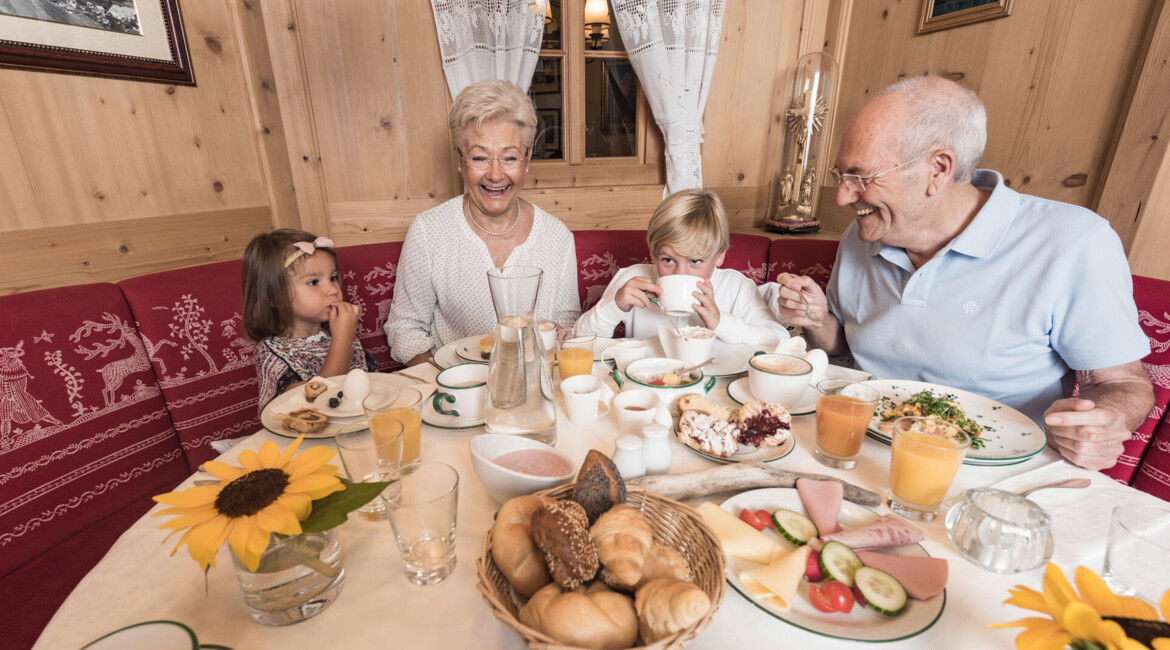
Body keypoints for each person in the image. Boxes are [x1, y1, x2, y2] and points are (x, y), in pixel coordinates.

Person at [770, 76, 1153, 471]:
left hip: (991, 472)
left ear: (938, 169)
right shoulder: (864, 232)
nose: (843, 197)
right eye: (841, 176)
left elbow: (1120, 385)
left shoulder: (1073, 241)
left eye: (860, 177)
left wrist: (1101, 424)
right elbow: (841, 346)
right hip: (851, 447)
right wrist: (816, 321)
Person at [384, 80, 580, 366]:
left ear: (527, 160)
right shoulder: (429, 231)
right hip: (455, 395)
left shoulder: (557, 236)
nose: (496, 174)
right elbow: (405, 330)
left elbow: (566, 321)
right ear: (460, 160)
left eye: (510, 157)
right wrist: (447, 385)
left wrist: (563, 335)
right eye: (480, 158)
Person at [574, 188, 787, 346]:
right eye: (668, 260)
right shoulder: (634, 279)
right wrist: (615, 306)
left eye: (695, 261)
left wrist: (720, 322)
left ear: (719, 255)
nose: (680, 273)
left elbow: (779, 340)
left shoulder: (737, 287)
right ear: (653, 254)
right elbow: (579, 340)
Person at [243, 229, 377, 412]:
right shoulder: (271, 353)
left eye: (333, 278)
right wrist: (343, 338)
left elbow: (375, 382)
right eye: (313, 282)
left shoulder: (339, 332)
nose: (332, 289)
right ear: (273, 296)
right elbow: (315, 403)